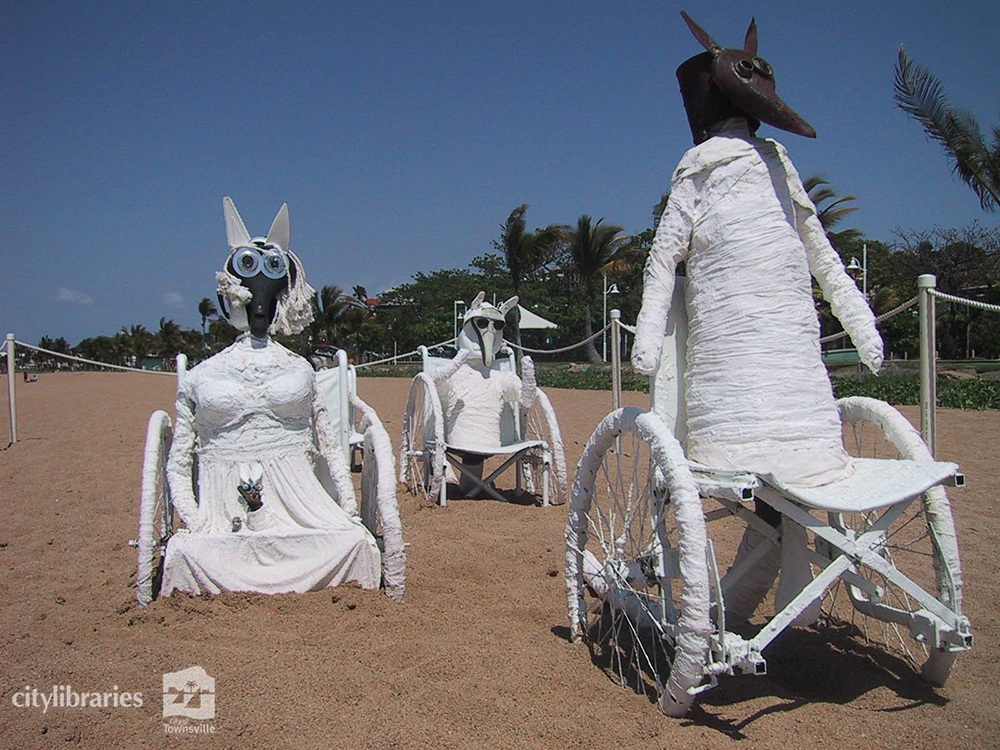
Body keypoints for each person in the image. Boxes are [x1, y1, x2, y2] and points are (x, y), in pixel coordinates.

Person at [632, 13, 882, 621]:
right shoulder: (737, 168)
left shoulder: (733, 165)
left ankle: (749, 597)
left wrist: (645, 343)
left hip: (766, 411)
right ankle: (760, 592)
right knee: (774, 418)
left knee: (773, 407)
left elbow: (663, 261)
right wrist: (862, 325)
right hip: (764, 413)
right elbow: (823, 255)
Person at [161, 198, 381, 596]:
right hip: (219, 505)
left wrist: (347, 508)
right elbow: (178, 462)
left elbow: (331, 446)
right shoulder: (202, 375)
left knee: (351, 543)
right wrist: (192, 518)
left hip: (300, 499)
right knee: (191, 552)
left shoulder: (300, 369)